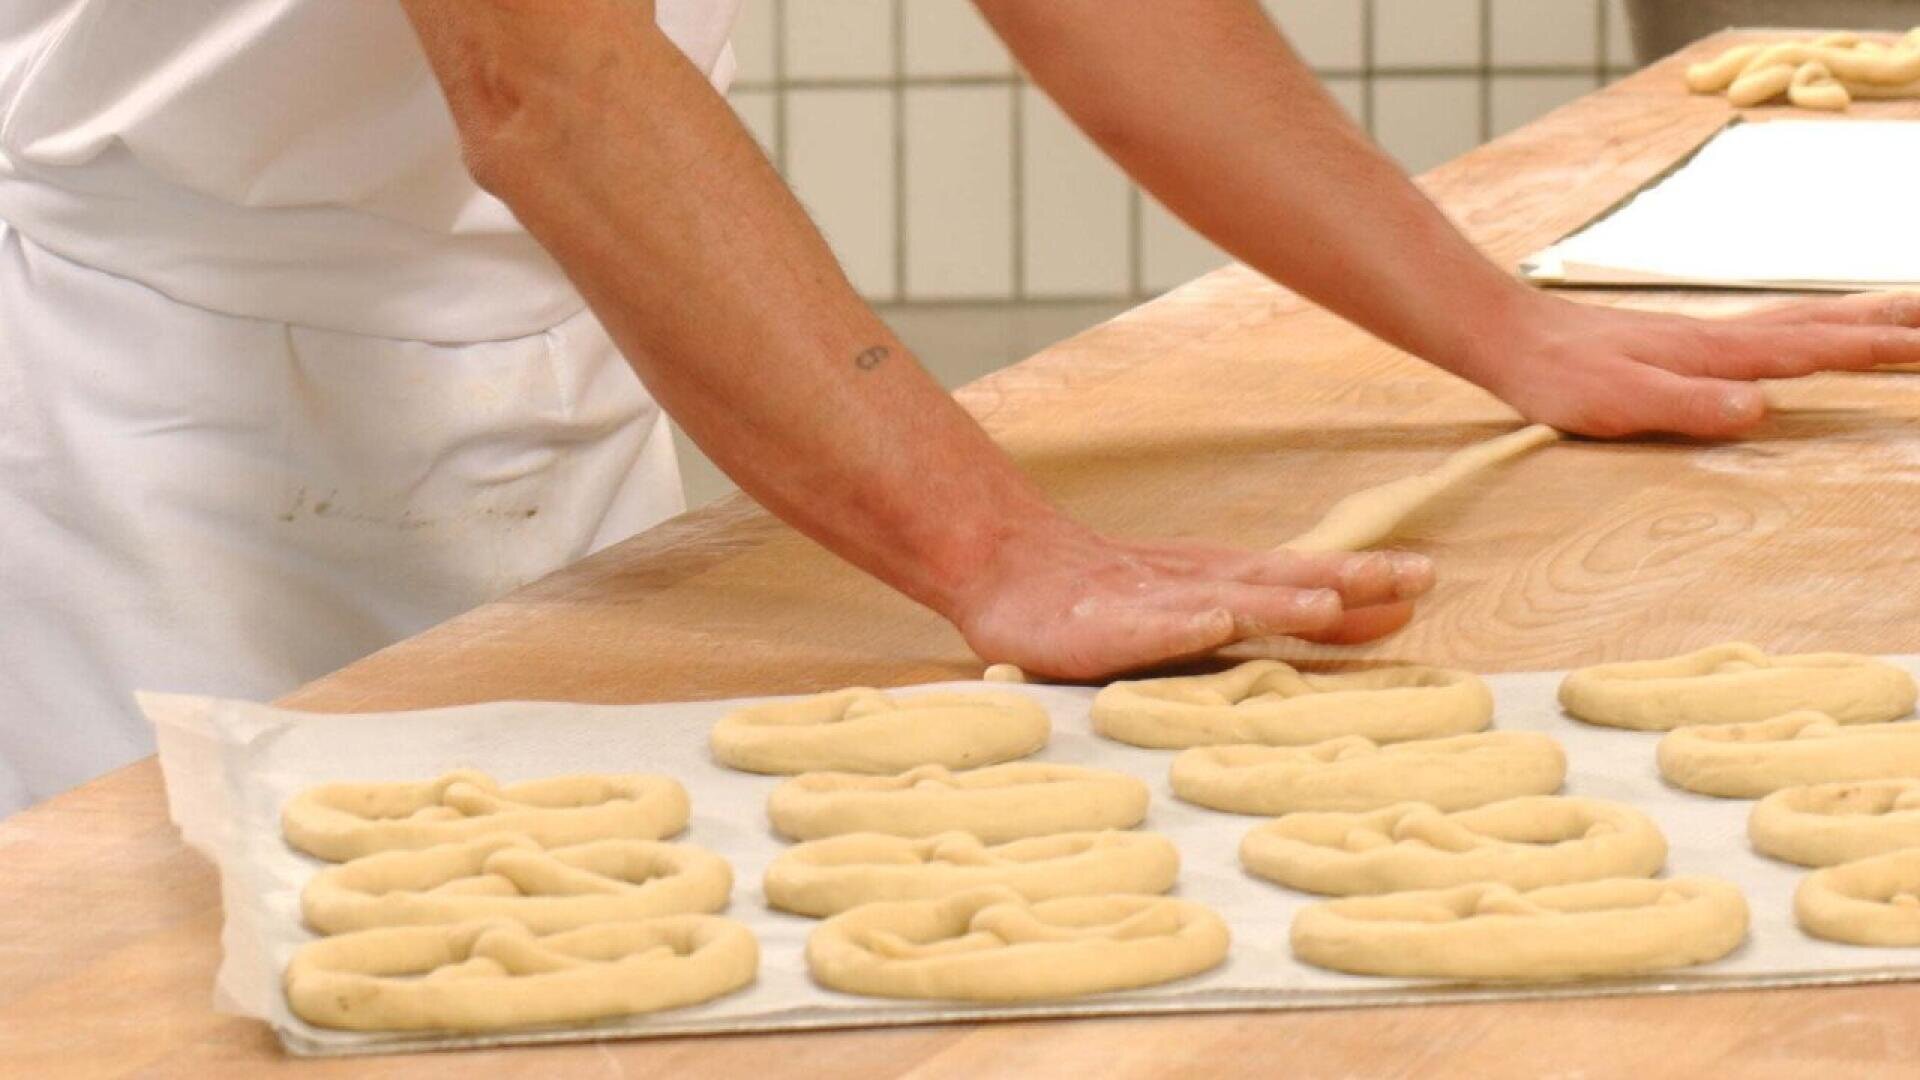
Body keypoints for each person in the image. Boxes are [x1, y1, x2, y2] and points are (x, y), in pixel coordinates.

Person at [3, 1, 1916, 818]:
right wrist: (991, 546)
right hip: (155, 412)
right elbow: (550, 86)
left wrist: (1500, 325)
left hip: (551, 344)